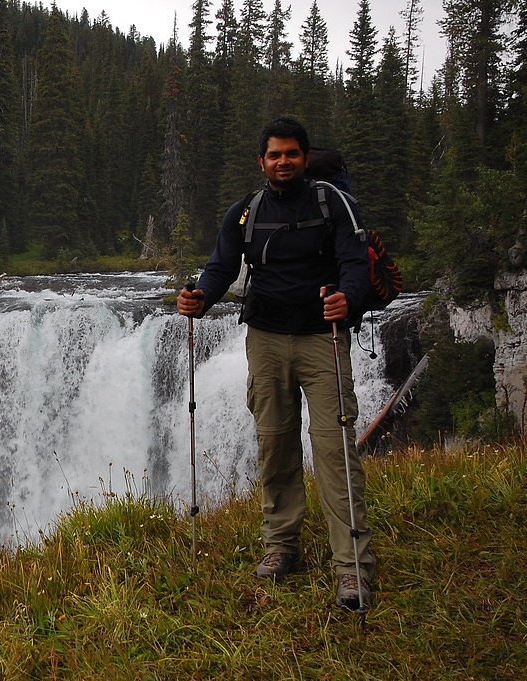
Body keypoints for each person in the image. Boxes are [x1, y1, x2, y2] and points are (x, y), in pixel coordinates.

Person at [177, 117, 375, 610]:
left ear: (305, 158)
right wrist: (200, 296)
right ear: (261, 161)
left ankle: (352, 569)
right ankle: (281, 546)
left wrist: (347, 298)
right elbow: (223, 265)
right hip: (264, 338)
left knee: (335, 451)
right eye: (274, 155)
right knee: (275, 444)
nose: (282, 161)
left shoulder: (333, 203)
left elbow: (356, 263)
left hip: (321, 339)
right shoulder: (246, 211)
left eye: (291, 153)